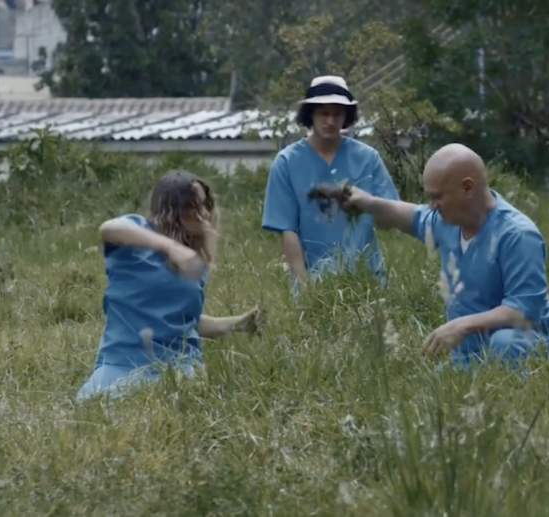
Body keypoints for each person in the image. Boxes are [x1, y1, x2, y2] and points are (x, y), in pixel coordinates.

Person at [339, 143, 549, 369]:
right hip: (471, 353)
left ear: (467, 188)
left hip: (526, 346)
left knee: (503, 342)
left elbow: (524, 311)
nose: (432, 206)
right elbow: (411, 216)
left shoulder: (517, 235)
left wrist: (462, 326)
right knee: (431, 391)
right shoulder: (447, 221)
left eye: (437, 197)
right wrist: (367, 202)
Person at [76, 171, 261, 402]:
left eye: (205, 205)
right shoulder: (135, 232)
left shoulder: (193, 261)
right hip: (123, 361)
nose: (202, 214)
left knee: (180, 405)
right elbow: (107, 229)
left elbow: (183, 321)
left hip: (178, 367)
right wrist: (169, 247)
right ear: (171, 208)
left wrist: (237, 323)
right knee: (94, 406)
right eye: (192, 206)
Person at [261, 75, 400, 290]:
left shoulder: (367, 158)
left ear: (346, 116)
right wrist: (303, 286)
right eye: (323, 113)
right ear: (311, 115)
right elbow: (287, 230)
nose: (330, 121)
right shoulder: (287, 162)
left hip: (366, 279)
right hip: (313, 280)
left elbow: (391, 213)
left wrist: (369, 203)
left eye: (337, 114)